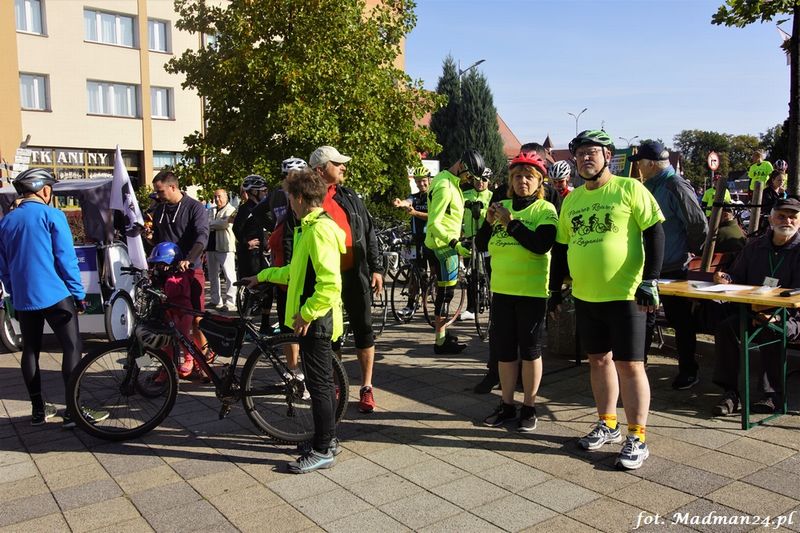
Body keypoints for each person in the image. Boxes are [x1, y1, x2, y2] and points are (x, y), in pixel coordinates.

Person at [550, 130, 665, 470]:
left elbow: (655, 232)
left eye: (593, 152)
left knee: (630, 365)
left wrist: (650, 280)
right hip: (586, 296)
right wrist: (554, 291)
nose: (586, 158)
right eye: (580, 153)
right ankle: (608, 423)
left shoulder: (630, 188)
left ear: (607, 157)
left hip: (626, 295)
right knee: (598, 361)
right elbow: (561, 249)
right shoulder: (572, 200)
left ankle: (637, 436)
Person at [242, 168, 345, 473]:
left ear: (300, 198)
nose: (287, 203)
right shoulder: (307, 228)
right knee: (318, 382)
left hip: (316, 319)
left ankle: (323, 449)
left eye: (289, 197)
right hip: (312, 317)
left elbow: (330, 283)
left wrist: (307, 312)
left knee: (320, 385)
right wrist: (262, 276)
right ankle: (327, 440)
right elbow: (294, 272)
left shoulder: (318, 230)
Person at [0, 168, 106, 427]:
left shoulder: (6, 222)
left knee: (30, 350)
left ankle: (38, 410)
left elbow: (3, 266)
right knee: (72, 347)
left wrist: (14, 291)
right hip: (56, 293)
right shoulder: (52, 215)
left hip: (24, 297)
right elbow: (66, 258)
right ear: (45, 189)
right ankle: (73, 411)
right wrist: (78, 294)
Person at [477, 152, 557, 432]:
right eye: (518, 176)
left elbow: (541, 245)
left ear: (539, 182)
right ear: (510, 181)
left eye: (529, 177)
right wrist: (489, 222)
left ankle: (530, 406)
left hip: (531, 292)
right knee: (505, 351)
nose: (523, 181)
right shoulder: (502, 206)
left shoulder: (545, 209)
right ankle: (507, 404)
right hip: (502, 290)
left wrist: (510, 223)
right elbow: (480, 245)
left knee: (531, 350)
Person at [310, 146, 382, 414]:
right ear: (320, 170)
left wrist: (376, 268)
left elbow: (369, 231)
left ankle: (366, 387)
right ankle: (336, 384)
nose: (343, 167)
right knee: (331, 335)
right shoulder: (308, 198)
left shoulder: (349, 196)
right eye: (337, 163)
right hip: (325, 278)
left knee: (364, 330)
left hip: (355, 274)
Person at [711, 198, 800, 416]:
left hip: (791, 316)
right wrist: (726, 279)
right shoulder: (754, 246)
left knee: (772, 329)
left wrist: (778, 316)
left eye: (793, 217)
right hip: (752, 312)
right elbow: (737, 276)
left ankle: (772, 396)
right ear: (771, 219)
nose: (787, 221)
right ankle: (731, 393)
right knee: (726, 328)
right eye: (782, 216)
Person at [633, 141, 708, 389]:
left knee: (680, 321)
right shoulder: (650, 185)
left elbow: (697, 223)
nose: (638, 168)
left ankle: (688, 370)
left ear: (651, 164)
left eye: (640, 163)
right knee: (645, 319)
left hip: (673, 266)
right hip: (649, 266)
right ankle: (638, 369)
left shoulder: (675, 184)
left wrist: (688, 251)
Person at [425, 149, 485, 354]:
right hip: (444, 247)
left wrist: (467, 204)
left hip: (441, 244)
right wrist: (455, 244)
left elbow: (448, 209)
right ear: (461, 166)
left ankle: (442, 335)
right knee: (446, 295)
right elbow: (434, 223)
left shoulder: (447, 179)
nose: (470, 180)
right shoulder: (445, 186)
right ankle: (440, 342)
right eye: (469, 175)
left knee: (445, 293)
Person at [151, 169, 210, 366]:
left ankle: (203, 363)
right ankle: (168, 366)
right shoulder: (159, 210)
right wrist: (148, 238)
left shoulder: (194, 207)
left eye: (160, 191)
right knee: (167, 320)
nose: (158, 195)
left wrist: (189, 259)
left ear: (173, 187)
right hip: (167, 273)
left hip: (191, 270)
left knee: (196, 319)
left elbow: (202, 236)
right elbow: (158, 239)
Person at [147, 242, 196, 378]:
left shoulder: (181, 275)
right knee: (165, 342)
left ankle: (189, 359)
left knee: (183, 336)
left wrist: (170, 275)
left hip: (182, 311)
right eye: (156, 265)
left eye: (162, 264)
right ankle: (166, 368)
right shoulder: (159, 276)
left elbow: (173, 289)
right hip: (167, 311)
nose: (159, 268)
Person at [392, 164, 435, 317]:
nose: (420, 184)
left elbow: (433, 216)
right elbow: (408, 201)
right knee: (415, 274)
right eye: (417, 181)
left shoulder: (433, 196)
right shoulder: (415, 197)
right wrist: (400, 203)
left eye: (423, 180)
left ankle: (436, 301)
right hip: (417, 239)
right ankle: (411, 305)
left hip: (432, 239)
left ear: (429, 180)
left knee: (434, 273)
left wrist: (415, 213)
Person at [232, 174, 273, 332]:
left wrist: (268, 242)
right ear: (254, 192)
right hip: (249, 257)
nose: (265, 193)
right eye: (263, 190)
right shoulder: (246, 208)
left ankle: (265, 324)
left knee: (268, 287)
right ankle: (245, 325)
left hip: (261, 255)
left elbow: (265, 227)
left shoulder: (261, 208)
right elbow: (236, 228)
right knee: (252, 290)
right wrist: (246, 243)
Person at [461, 166, 494, 321]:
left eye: (484, 180)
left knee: (488, 273)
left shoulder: (492, 196)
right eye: (477, 179)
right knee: (470, 275)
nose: (480, 182)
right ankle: (471, 308)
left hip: (487, 239)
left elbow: (494, 215)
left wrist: (481, 212)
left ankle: (493, 304)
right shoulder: (465, 194)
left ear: (489, 181)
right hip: (469, 238)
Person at [207, 189, 237, 312]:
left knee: (229, 275)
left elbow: (224, 224)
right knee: (213, 275)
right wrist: (215, 223)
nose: (217, 199)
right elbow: (206, 222)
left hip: (225, 246)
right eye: (215, 197)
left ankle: (230, 302)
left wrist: (210, 224)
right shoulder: (211, 210)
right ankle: (215, 300)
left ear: (226, 197)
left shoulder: (231, 209)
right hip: (210, 246)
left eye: (219, 196)